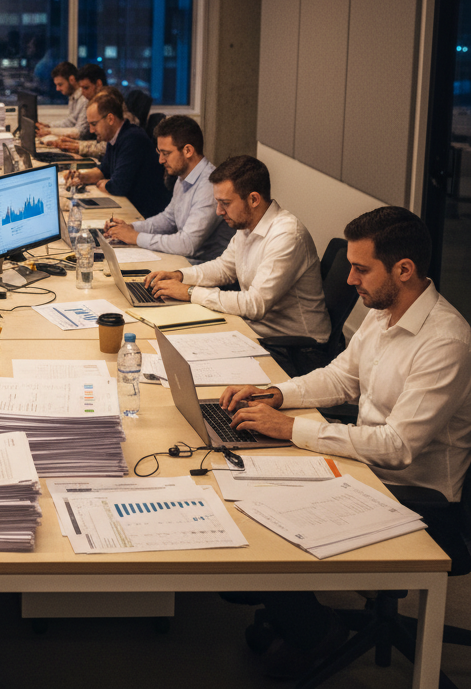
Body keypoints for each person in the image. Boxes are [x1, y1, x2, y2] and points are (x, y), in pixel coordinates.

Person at [219, 207, 471, 679]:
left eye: (361, 268)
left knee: (270, 506)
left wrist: (290, 428)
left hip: (416, 494)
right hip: (368, 467)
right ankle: (289, 612)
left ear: (404, 270)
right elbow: (341, 378)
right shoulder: (384, 311)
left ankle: (315, 632)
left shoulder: (446, 342)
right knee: (243, 479)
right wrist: (274, 393)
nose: (349, 279)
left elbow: (398, 446)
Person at [145, 155, 330, 340]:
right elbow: (224, 268)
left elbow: (254, 305)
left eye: (225, 203)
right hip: (255, 330)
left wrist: (190, 292)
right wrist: (180, 276)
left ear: (254, 199)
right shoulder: (247, 224)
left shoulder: (286, 236)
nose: (219, 211)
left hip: (296, 347)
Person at [104, 115, 232, 264]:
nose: (161, 160)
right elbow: (168, 219)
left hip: (203, 269)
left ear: (188, 150)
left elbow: (187, 244)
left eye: (166, 154)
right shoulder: (183, 176)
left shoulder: (209, 185)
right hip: (183, 262)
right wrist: (129, 228)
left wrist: (135, 237)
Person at [63, 89, 171, 217]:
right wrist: (81, 177)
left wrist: (105, 184)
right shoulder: (114, 137)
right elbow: (103, 171)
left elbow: (118, 187)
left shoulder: (133, 138)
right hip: (131, 207)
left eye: (94, 124)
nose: (91, 130)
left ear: (110, 119)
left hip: (146, 214)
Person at [35, 62, 89, 140]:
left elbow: (80, 132)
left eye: (60, 84)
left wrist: (50, 131)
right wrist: (49, 126)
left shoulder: (85, 98)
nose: (57, 89)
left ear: (72, 79)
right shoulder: (73, 95)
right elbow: (71, 121)